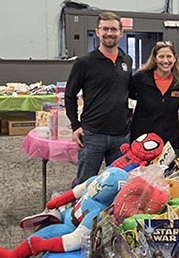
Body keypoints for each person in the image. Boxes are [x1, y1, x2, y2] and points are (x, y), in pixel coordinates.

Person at [64, 11, 133, 186]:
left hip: (121, 136)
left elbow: (131, 91)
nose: (109, 33)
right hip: (93, 134)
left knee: (117, 183)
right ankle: (79, 213)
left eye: (114, 29)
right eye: (105, 29)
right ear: (97, 31)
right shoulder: (84, 62)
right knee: (84, 185)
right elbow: (70, 95)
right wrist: (75, 125)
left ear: (121, 33)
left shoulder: (127, 60)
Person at [129, 41, 179, 154]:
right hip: (142, 142)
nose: (165, 61)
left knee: (168, 172)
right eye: (161, 57)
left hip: (169, 143)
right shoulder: (140, 78)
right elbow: (130, 95)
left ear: (174, 59)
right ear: (155, 59)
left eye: (169, 56)